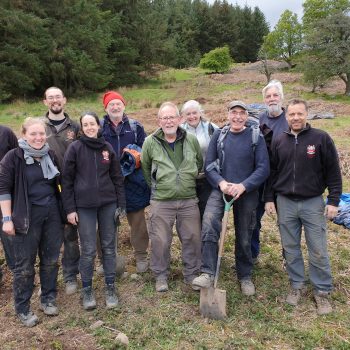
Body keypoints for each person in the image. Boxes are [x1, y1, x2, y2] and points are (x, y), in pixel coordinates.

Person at [264, 98, 342, 315]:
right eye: (292, 114)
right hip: (285, 203)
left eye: (299, 114)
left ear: (307, 114)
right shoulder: (279, 140)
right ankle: (296, 285)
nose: (295, 118)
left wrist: (333, 201)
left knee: (317, 248)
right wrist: (269, 199)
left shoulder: (320, 139)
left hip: (312, 202)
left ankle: (322, 291)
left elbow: (333, 172)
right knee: (290, 248)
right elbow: (273, 173)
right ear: (286, 117)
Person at [193, 101, 269, 296]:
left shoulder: (255, 136)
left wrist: (243, 185)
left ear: (246, 116)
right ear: (228, 114)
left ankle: (244, 275)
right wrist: (221, 183)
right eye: (233, 112)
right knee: (209, 223)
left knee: (245, 234)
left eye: (241, 113)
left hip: (246, 192)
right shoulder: (220, 135)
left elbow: (263, 168)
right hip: (222, 190)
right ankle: (208, 272)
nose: (237, 117)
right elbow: (209, 164)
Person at [0, 117, 64, 327]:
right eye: (33, 134)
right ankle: (23, 307)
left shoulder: (50, 154)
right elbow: (3, 190)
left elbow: (58, 185)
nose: (38, 138)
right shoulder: (13, 158)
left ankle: (48, 298)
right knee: (24, 265)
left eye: (41, 134)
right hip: (25, 218)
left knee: (51, 259)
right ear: (24, 135)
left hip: (51, 214)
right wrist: (7, 219)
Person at [62, 112, 126, 310]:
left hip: (108, 204)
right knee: (88, 249)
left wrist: (121, 204)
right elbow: (67, 180)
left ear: (98, 126)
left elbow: (117, 177)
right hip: (84, 206)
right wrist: (70, 209)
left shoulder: (107, 148)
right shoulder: (75, 148)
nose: (90, 127)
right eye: (86, 124)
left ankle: (110, 286)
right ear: (81, 128)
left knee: (108, 247)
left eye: (93, 124)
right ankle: (87, 289)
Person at [141, 102, 203, 292]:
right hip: (161, 200)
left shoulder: (191, 140)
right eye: (164, 118)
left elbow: (199, 163)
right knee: (160, 240)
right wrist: (161, 187)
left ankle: (192, 274)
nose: (168, 121)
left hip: (188, 199)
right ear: (159, 121)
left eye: (172, 117)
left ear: (180, 119)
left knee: (192, 237)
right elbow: (145, 168)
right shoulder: (150, 142)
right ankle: (161, 275)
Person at [101, 91, 149, 273]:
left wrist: (135, 158)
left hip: (132, 182)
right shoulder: (99, 128)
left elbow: (145, 151)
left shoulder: (135, 127)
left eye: (118, 103)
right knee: (106, 222)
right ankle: (105, 259)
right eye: (111, 104)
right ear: (106, 108)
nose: (115, 107)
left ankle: (141, 257)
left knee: (138, 222)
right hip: (107, 182)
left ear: (124, 105)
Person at [43, 87, 80, 295]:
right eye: (51, 98)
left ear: (64, 100)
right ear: (45, 102)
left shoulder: (74, 126)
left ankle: (70, 275)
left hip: (70, 188)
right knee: (48, 237)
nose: (55, 101)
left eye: (58, 97)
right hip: (46, 189)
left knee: (70, 234)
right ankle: (47, 280)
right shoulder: (40, 126)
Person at [251, 80, 289, 263]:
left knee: (286, 223)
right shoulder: (260, 119)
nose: (272, 99)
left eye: (275, 95)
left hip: (284, 179)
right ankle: (252, 254)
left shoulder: (290, 118)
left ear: (281, 97)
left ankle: (288, 258)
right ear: (264, 100)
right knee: (254, 219)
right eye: (268, 96)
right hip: (262, 178)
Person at [180, 100, 218, 220]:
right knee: (190, 213)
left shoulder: (212, 128)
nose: (192, 116)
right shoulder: (178, 131)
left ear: (200, 113)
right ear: (183, 116)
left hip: (208, 178)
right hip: (187, 179)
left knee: (207, 211)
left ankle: (207, 237)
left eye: (194, 113)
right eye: (188, 114)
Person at [0, 125, 18, 281]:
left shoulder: (5, 132)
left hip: (6, 191)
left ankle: (17, 269)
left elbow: (18, 156)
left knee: (8, 233)